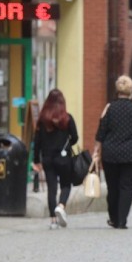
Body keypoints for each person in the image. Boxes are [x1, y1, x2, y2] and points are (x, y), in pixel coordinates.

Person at [94, 75, 132, 229]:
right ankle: (122, 220)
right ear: (131, 90)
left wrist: (96, 150)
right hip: (131, 154)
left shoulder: (109, 108)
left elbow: (101, 131)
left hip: (111, 153)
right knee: (127, 187)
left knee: (112, 187)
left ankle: (113, 217)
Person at [32, 89, 78, 229]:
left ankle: (53, 220)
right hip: (63, 158)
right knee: (66, 184)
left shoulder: (42, 121)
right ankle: (61, 206)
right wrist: (67, 145)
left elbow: (37, 142)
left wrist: (36, 160)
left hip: (48, 159)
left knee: (51, 188)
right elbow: (75, 137)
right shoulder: (68, 118)